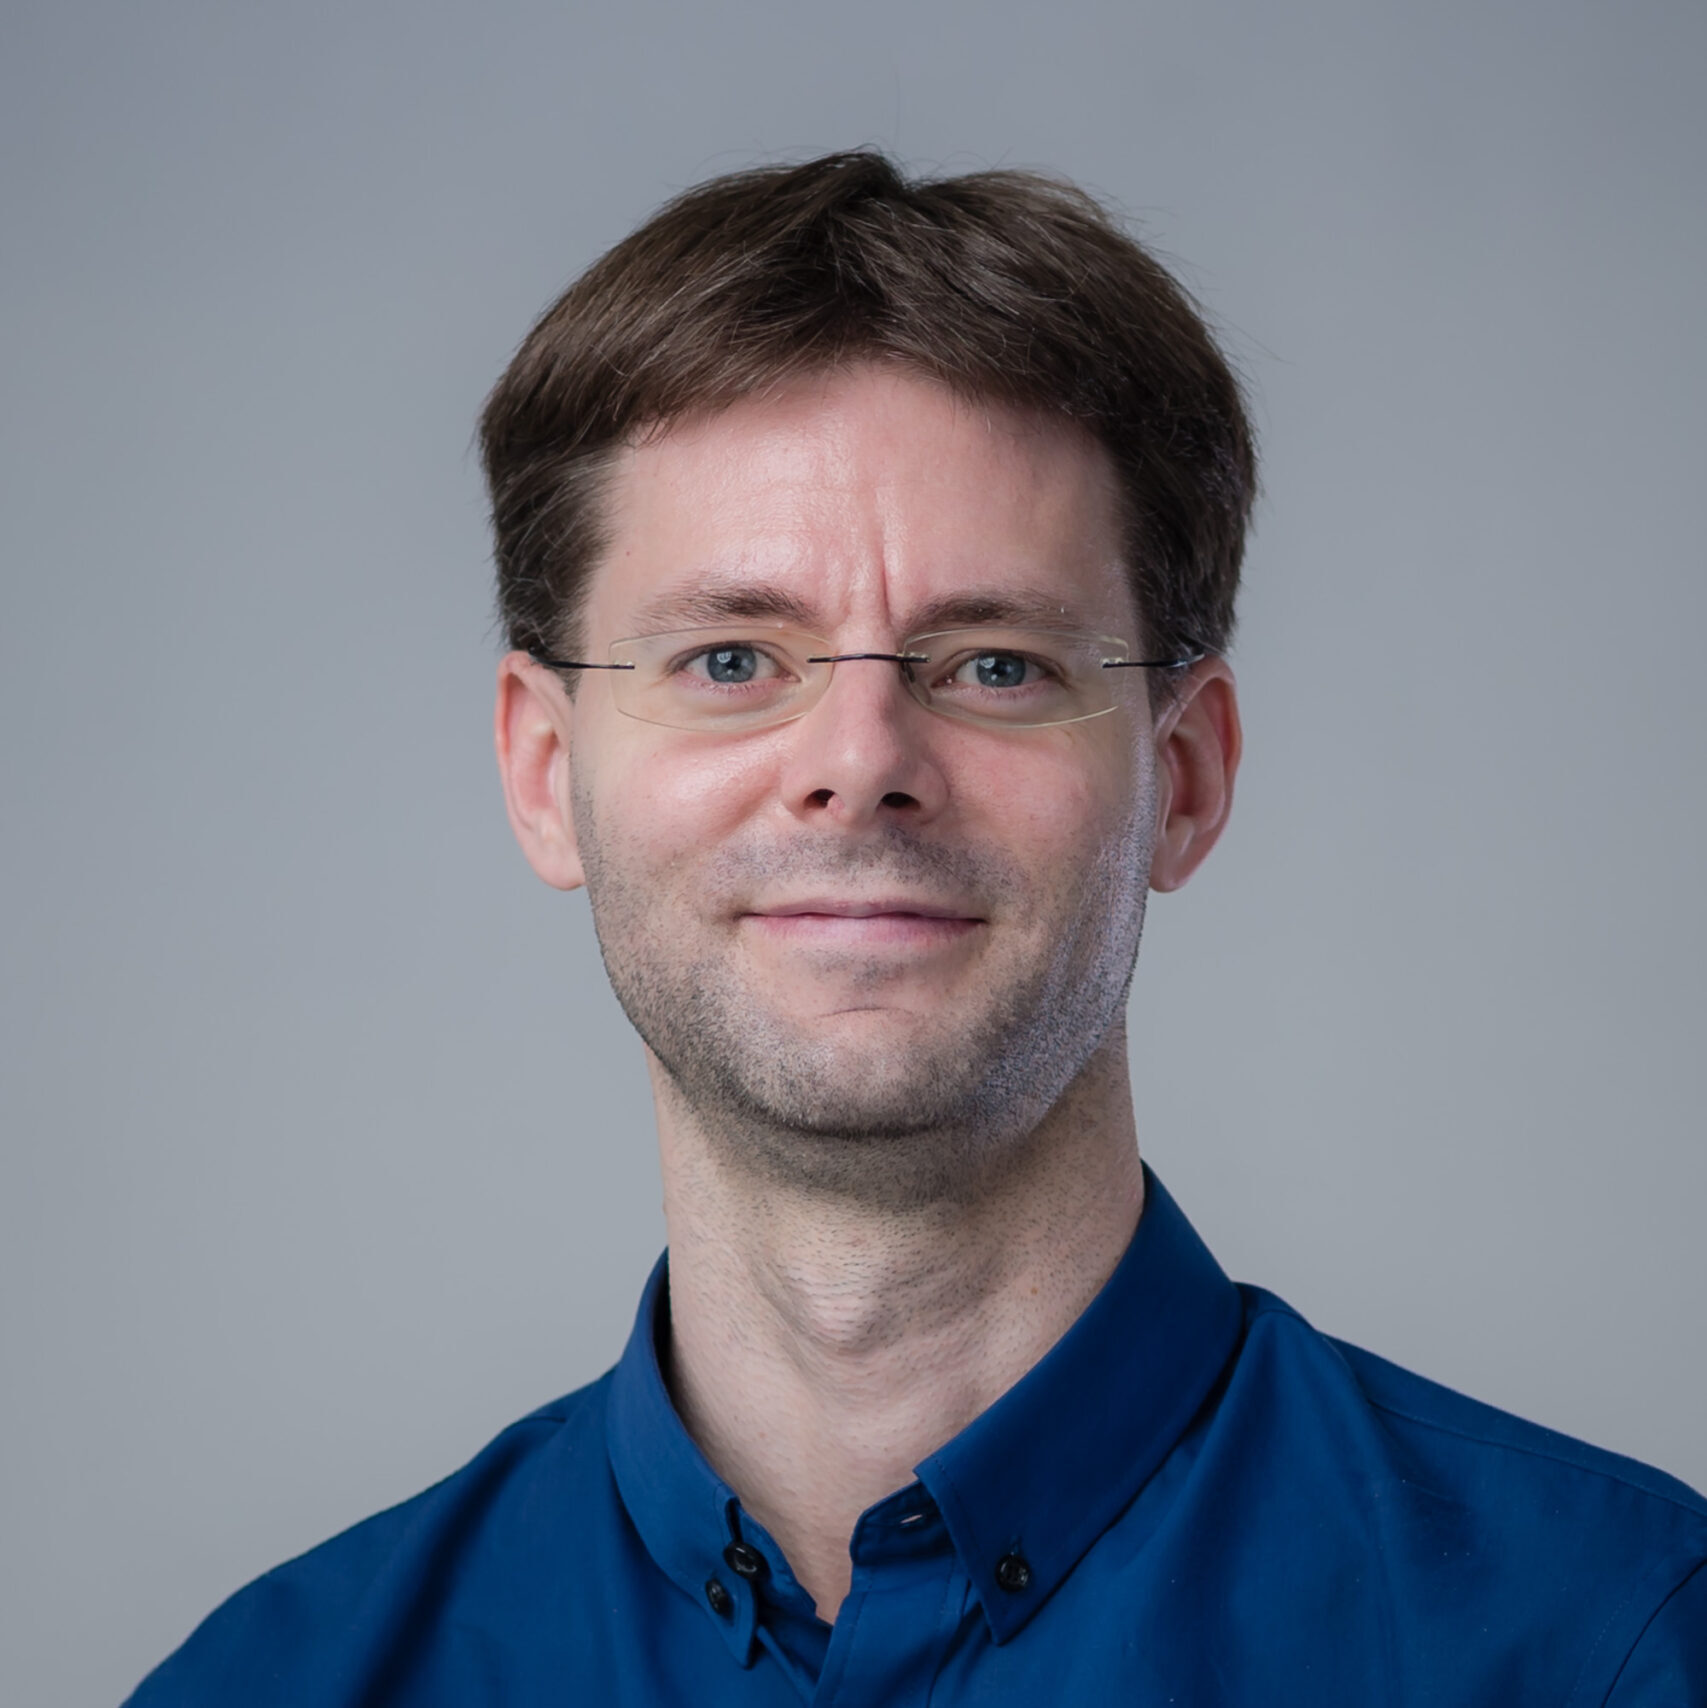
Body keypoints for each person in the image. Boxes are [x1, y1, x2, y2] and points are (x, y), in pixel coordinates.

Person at [126, 150, 1706, 1706]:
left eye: (996, 664)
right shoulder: (281, 1684)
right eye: (734, 658)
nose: (862, 763)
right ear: (547, 775)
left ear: (1185, 777)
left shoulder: (1611, 1646)